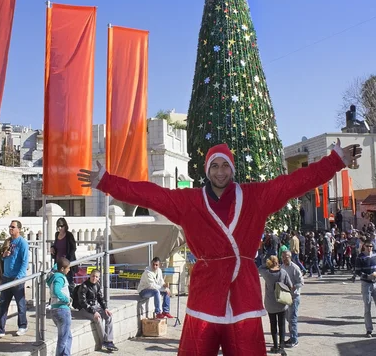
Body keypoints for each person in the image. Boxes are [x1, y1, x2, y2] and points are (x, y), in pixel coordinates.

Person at [78, 139, 360, 355]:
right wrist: (107, 181)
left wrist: (334, 161)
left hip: (243, 296)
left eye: (225, 165)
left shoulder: (255, 197)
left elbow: (294, 183)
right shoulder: (189, 201)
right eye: (214, 165)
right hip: (205, 296)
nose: (220, 171)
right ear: (207, 170)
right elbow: (151, 195)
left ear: (232, 168)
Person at [0, 220, 29, 338]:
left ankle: (22, 325)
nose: (11, 229)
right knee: (3, 304)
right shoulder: (7, 242)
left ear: (19, 229)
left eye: (13, 227)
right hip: (6, 277)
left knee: (20, 304)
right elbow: (3, 259)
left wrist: (19, 277)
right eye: (10, 226)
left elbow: (25, 262)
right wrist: (3, 256)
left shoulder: (22, 243)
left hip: (17, 278)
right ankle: (0, 328)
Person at [353, 240, 376, 338]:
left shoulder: (375, 255)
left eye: (371, 246)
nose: (370, 248)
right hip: (366, 284)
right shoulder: (360, 257)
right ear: (364, 246)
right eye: (368, 246)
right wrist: (367, 276)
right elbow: (357, 272)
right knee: (367, 307)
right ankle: (369, 329)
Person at [77, 269, 118, 352]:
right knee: (98, 319)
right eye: (93, 276)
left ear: (99, 278)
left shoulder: (97, 285)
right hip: (84, 309)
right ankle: (105, 341)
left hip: (95, 306)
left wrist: (105, 308)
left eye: (96, 277)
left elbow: (100, 298)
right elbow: (83, 302)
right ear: (90, 275)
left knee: (108, 316)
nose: (94, 278)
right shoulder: (84, 286)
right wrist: (94, 312)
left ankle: (109, 340)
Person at [259, 256, 293, 355]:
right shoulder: (283, 272)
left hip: (270, 303)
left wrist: (267, 264)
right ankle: (282, 346)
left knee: (273, 324)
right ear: (278, 262)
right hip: (281, 302)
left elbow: (260, 268)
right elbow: (290, 285)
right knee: (282, 325)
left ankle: (275, 346)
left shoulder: (267, 273)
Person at [47, 257, 73, 355]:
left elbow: (55, 267)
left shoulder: (54, 276)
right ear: (62, 269)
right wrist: (66, 299)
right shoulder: (60, 277)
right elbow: (56, 290)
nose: (69, 269)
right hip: (62, 309)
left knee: (68, 336)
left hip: (56, 309)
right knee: (63, 339)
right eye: (68, 268)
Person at [281, 250, 304, 348]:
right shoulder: (282, 267)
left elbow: (301, 282)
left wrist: (294, 287)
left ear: (290, 257)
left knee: (292, 318)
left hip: (294, 297)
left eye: (286, 256)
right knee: (288, 318)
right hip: (285, 296)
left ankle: (294, 340)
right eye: (283, 256)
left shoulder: (295, 268)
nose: (284, 258)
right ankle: (291, 336)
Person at [50, 218, 78, 289]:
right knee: (58, 281)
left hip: (67, 263)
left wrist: (68, 260)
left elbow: (73, 248)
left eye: (61, 226)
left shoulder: (69, 235)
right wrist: (52, 247)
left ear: (65, 226)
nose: (60, 228)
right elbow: (56, 245)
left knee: (69, 282)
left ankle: (71, 298)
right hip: (58, 263)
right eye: (58, 226)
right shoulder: (57, 234)